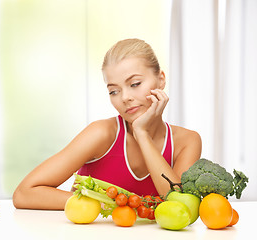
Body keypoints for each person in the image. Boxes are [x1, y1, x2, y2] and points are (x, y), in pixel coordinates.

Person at [13, 38, 202, 210]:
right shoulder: (101, 133)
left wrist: (142, 134)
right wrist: (105, 204)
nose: (125, 98)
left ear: (161, 79)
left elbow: (180, 206)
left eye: (135, 84)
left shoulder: (187, 142)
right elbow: (24, 193)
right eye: (114, 91)